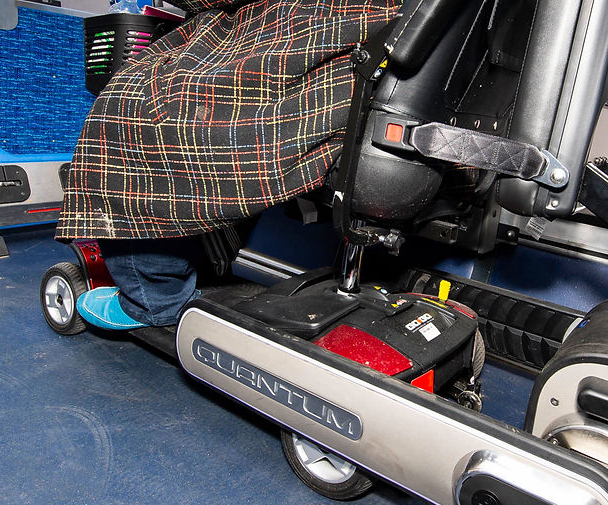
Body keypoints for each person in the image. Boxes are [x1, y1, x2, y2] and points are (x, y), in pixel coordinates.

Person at [57, 0, 401, 329]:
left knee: (125, 109)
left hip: (304, 38)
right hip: (370, 51)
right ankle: (206, 247)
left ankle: (155, 297)